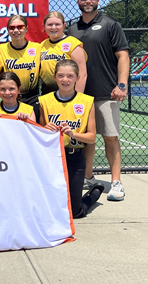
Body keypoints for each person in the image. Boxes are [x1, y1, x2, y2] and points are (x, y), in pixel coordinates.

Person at [66, 0, 131, 202]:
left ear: (98, 0)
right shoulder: (71, 29)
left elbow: (122, 55)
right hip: (79, 95)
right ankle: (87, 176)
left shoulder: (110, 24)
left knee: (110, 137)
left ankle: (116, 182)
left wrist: (121, 84)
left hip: (106, 92)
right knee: (87, 138)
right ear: (78, 1)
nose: (87, 1)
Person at [38, 59, 104, 218]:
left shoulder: (87, 101)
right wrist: (45, 130)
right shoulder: (44, 101)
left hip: (75, 157)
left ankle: (95, 192)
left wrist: (73, 134)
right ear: (54, 77)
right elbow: (39, 133)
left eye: (70, 76)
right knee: (50, 208)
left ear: (77, 77)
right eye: (60, 76)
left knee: (75, 212)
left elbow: (91, 138)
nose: (65, 80)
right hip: (52, 158)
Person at [0, 15, 42, 120]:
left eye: (20, 27)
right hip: (10, 98)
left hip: (32, 96)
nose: (16, 30)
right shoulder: (0, 49)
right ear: (8, 30)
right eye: (12, 27)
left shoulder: (37, 48)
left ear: (26, 28)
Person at [39, 11, 88, 96]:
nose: (53, 27)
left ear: (64, 25)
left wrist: (77, 97)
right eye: (50, 25)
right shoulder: (42, 45)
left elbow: (82, 74)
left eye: (57, 24)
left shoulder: (73, 43)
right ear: (44, 27)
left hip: (69, 93)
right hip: (47, 95)